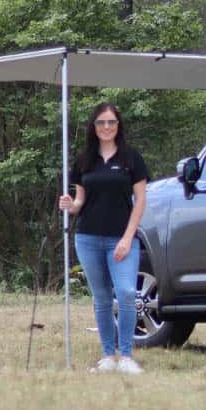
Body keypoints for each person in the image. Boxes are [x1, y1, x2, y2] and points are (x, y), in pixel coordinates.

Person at [59, 102, 150, 374]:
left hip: (121, 238)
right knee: (101, 298)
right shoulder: (84, 159)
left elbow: (141, 200)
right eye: (101, 123)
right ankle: (108, 356)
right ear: (94, 127)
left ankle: (126, 356)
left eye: (111, 122)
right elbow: (80, 201)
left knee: (124, 292)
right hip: (87, 237)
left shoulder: (131, 158)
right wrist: (70, 205)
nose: (107, 127)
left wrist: (127, 237)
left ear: (118, 125)